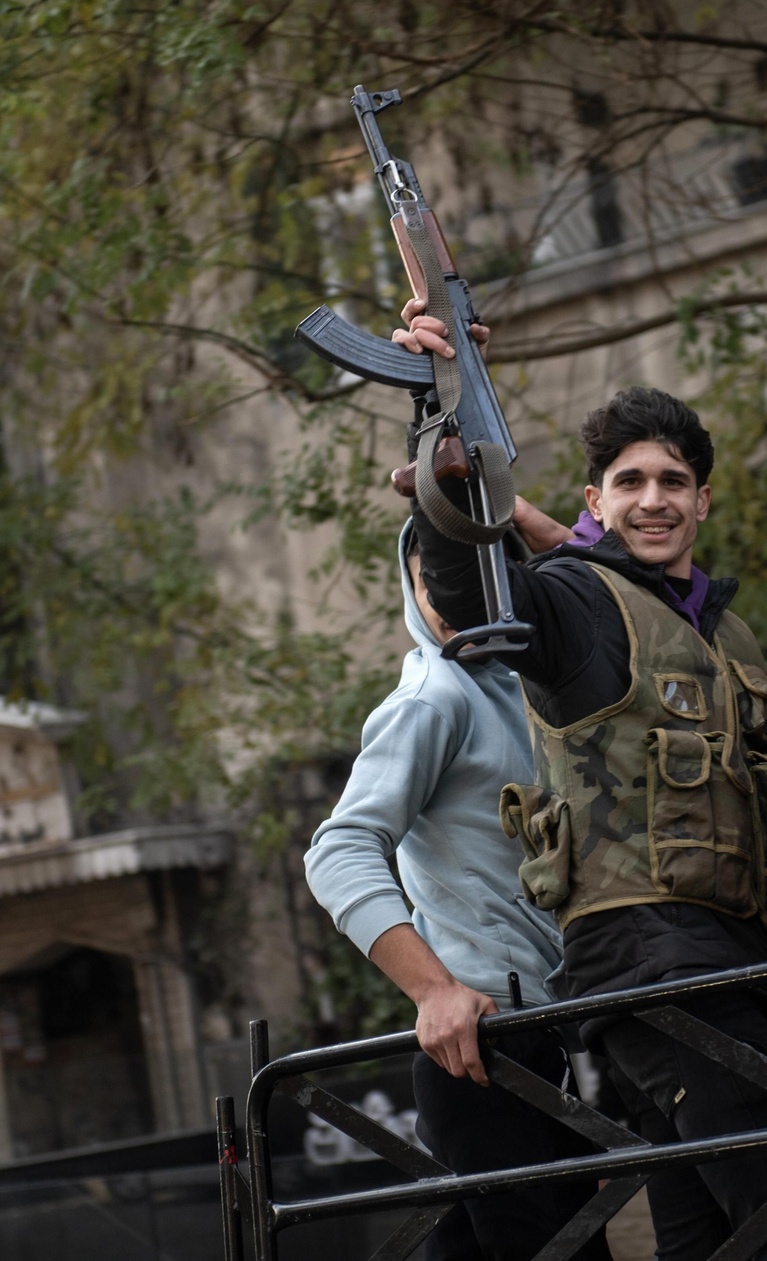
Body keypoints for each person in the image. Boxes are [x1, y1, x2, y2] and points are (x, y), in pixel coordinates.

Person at [399, 303, 767, 1259]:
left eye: (674, 482)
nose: (655, 499)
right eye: (630, 482)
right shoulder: (576, 602)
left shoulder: (727, 635)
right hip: (650, 969)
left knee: (705, 1236)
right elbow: (473, 591)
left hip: (738, 969)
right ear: (595, 502)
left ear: (704, 501)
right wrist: (440, 418)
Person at [303, 523, 611, 1261]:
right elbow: (338, 850)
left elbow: (607, 584)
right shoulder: (432, 696)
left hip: (550, 1035)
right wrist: (435, 990)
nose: (447, 597)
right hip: (483, 1049)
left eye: (471, 571)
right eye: (428, 578)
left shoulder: (544, 687)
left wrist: (490, 497)